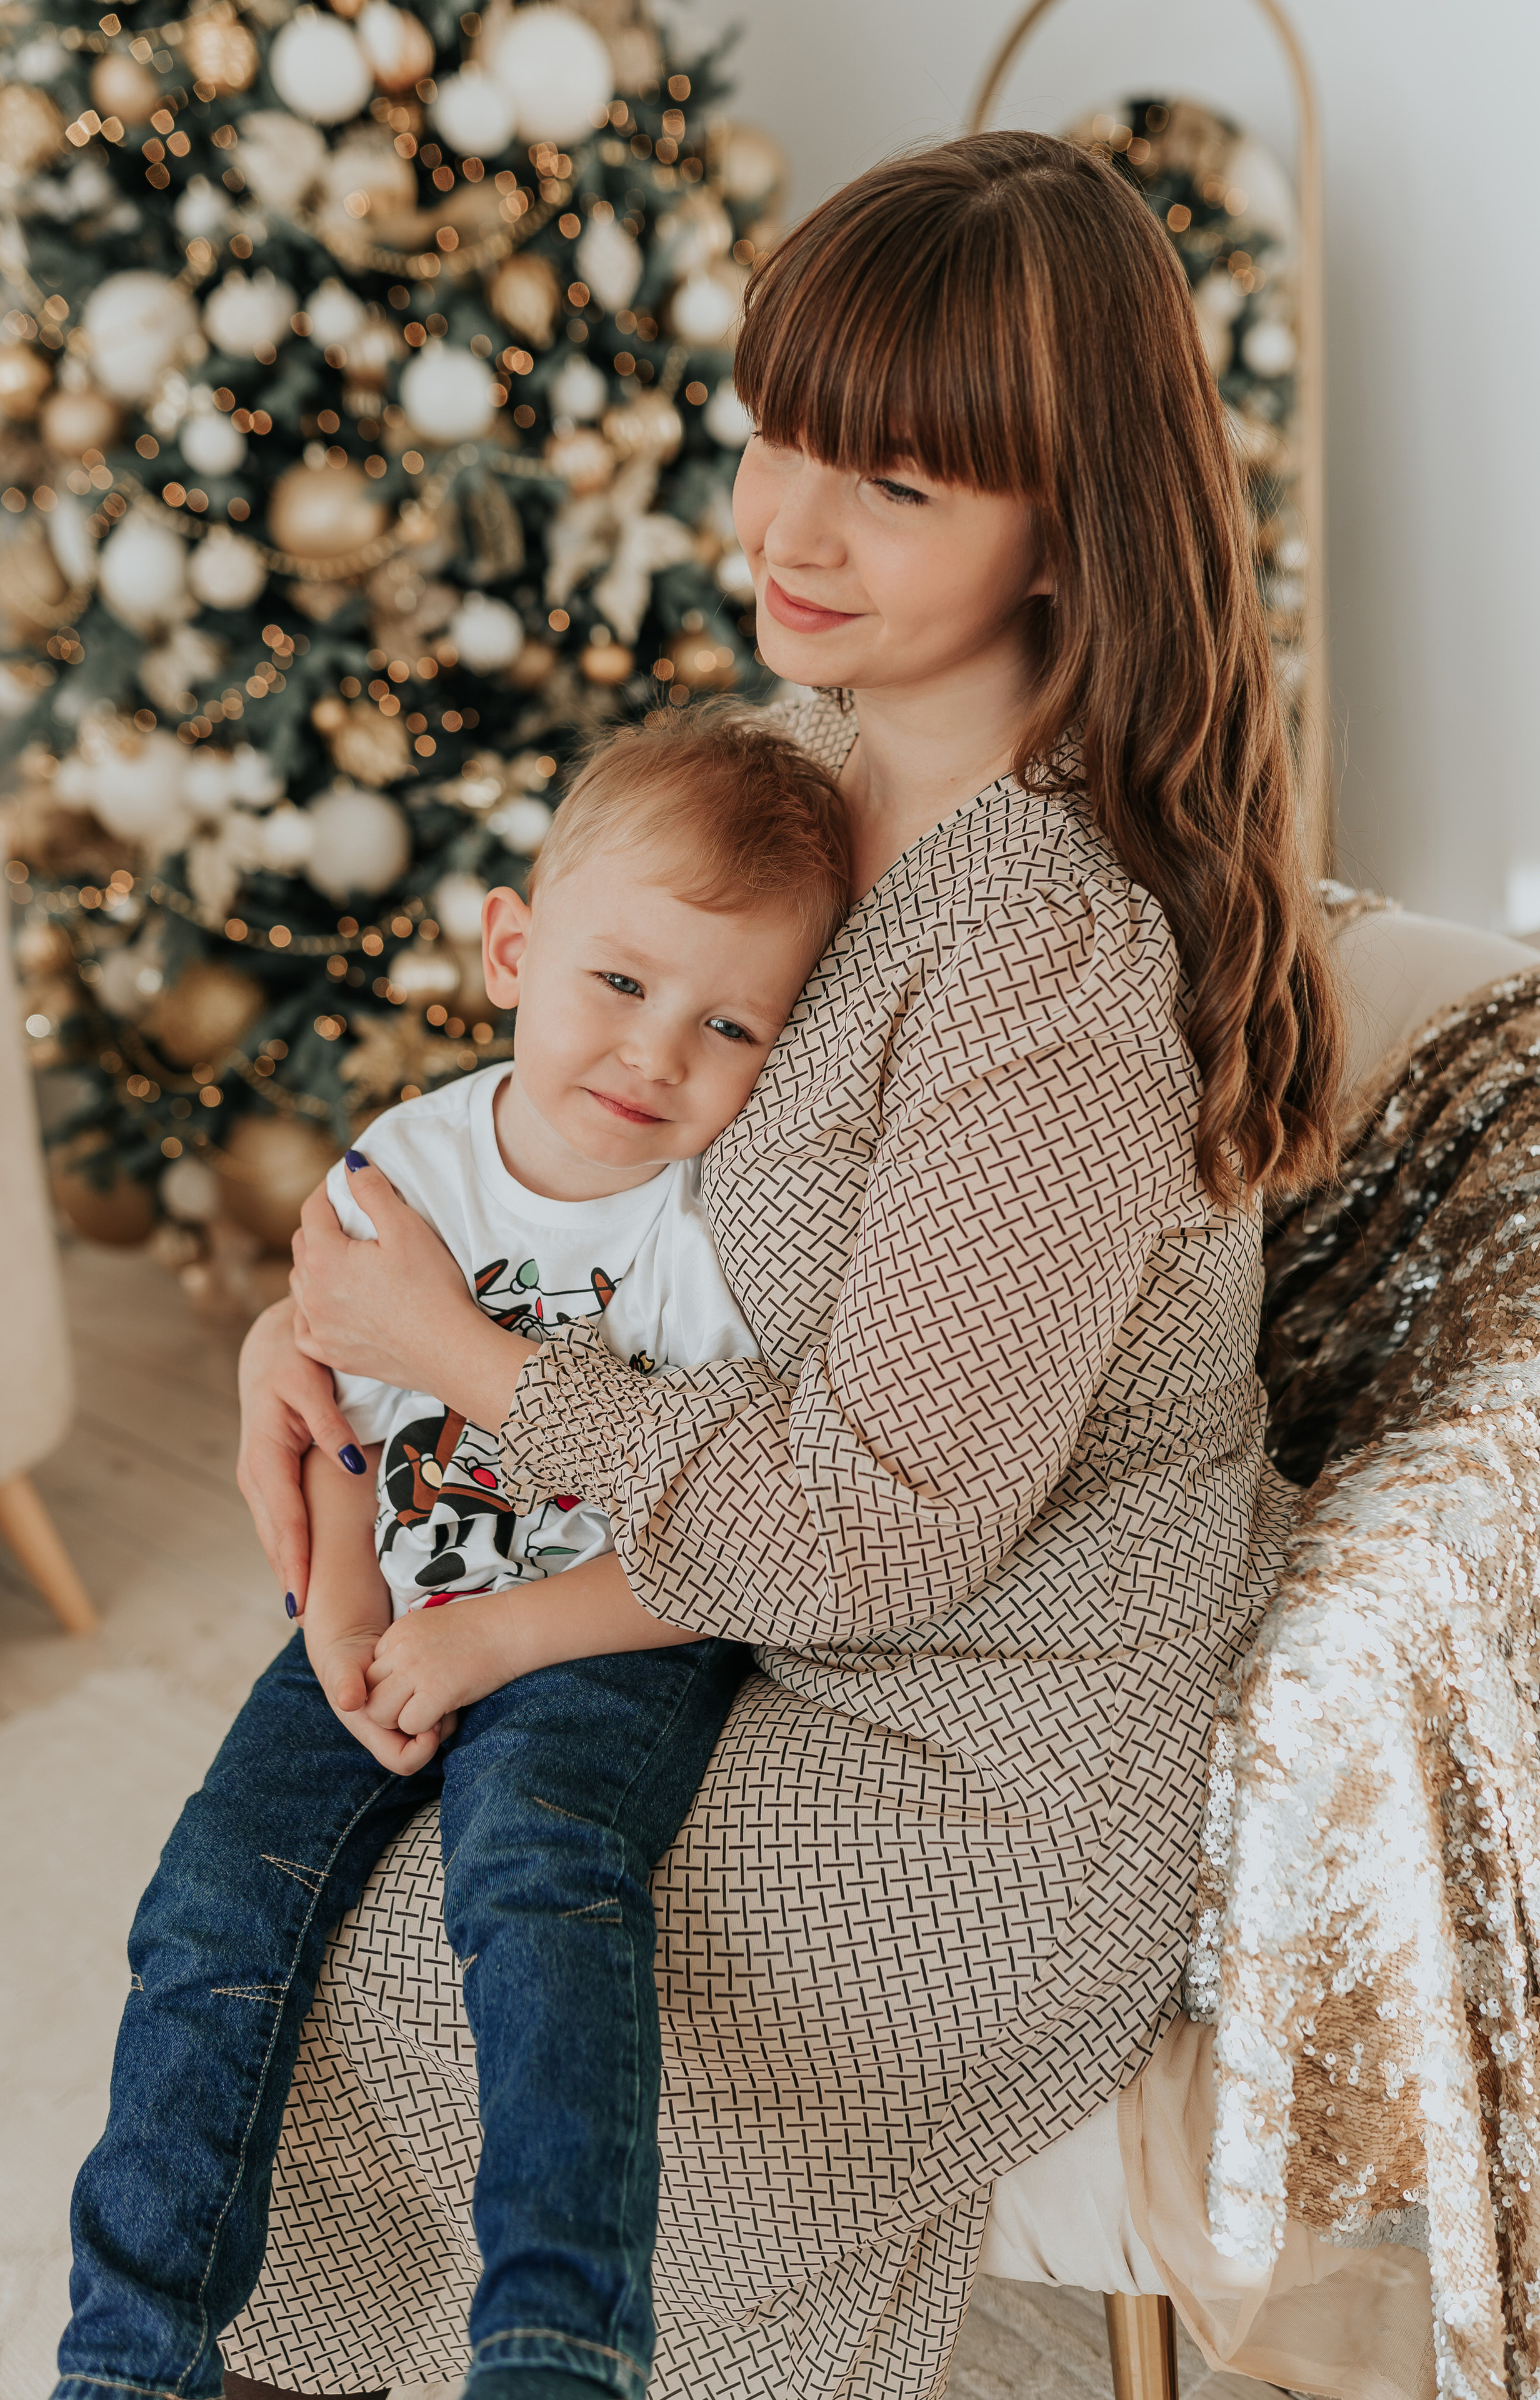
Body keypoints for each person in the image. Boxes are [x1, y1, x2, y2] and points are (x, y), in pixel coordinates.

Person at [226, 132, 1346, 2400]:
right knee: (252, 1942)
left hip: (984, 1722)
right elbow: (589, 1147)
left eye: (901, 487)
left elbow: (886, 1524)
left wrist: (460, 1357)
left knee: (443, 2026)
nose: (790, 531)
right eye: (784, 435)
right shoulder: (817, 778)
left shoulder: (1047, 960)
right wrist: (323, 1321)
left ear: (1070, 525)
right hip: (712, 1598)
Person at [52, 712, 853, 2400]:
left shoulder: (706, 1232)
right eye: (621, 984)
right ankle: (130, 2360)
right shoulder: (398, 1171)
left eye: (729, 1024)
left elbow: (716, 1551)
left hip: (602, 1627)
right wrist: (342, 1603)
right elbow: (329, 1420)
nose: (656, 1056)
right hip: (400, 1587)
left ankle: (556, 2349)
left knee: (538, 1877)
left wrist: (495, 1647)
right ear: (511, 948)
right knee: (208, 1906)